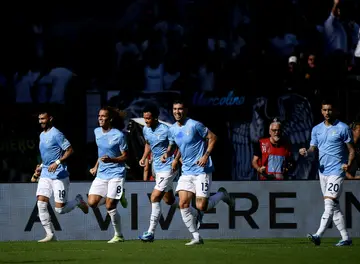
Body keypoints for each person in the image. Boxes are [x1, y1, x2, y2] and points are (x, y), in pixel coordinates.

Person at [162, 99, 234, 246]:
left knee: (202, 206)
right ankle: (196, 237)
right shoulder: (173, 129)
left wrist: (205, 156)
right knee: (183, 203)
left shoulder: (195, 125)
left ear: (186, 110)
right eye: (175, 109)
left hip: (202, 169)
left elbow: (213, 138)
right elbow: (175, 146)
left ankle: (222, 195)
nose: (177, 112)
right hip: (186, 171)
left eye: (180, 109)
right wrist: (168, 155)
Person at [138, 104, 200, 242]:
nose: (146, 121)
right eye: (145, 119)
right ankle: (196, 213)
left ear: (155, 118)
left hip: (169, 167)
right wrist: (144, 157)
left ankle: (150, 233)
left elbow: (179, 144)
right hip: (157, 168)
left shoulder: (168, 130)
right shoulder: (146, 130)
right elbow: (148, 144)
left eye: (148, 118)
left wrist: (178, 159)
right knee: (169, 200)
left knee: (154, 197)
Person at [299, 99, 355, 246]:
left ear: (334, 111)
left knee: (329, 203)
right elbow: (313, 149)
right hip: (322, 171)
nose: (327, 113)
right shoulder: (317, 129)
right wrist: (306, 152)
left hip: (337, 171)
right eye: (324, 110)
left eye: (329, 110)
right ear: (321, 111)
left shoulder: (343, 128)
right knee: (334, 207)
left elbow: (351, 150)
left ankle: (318, 235)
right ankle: (346, 238)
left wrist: (348, 165)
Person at [32, 110, 88, 243]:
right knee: (41, 202)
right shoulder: (41, 135)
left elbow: (70, 150)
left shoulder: (56, 134)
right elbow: (47, 155)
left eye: (43, 119)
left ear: (50, 119)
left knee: (60, 209)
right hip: (45, 173)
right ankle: (50, 235)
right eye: (39, 119)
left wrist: (57, 162)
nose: (41, 121)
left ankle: (78, 201)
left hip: (59, 175)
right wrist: (40, 166)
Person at [87, 106, 128, 243]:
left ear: (110, 119)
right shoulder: (97, 132)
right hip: (101, 174)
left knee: (110, 205)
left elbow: (125, 157)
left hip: (117, 173)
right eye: (99, 116)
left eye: (103, 116)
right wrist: (95, 166)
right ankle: (117, 195)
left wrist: (112, 160)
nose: (100, 118)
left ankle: (119, 235)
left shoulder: (119, 135)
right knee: (92, 203)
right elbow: (101, 153)